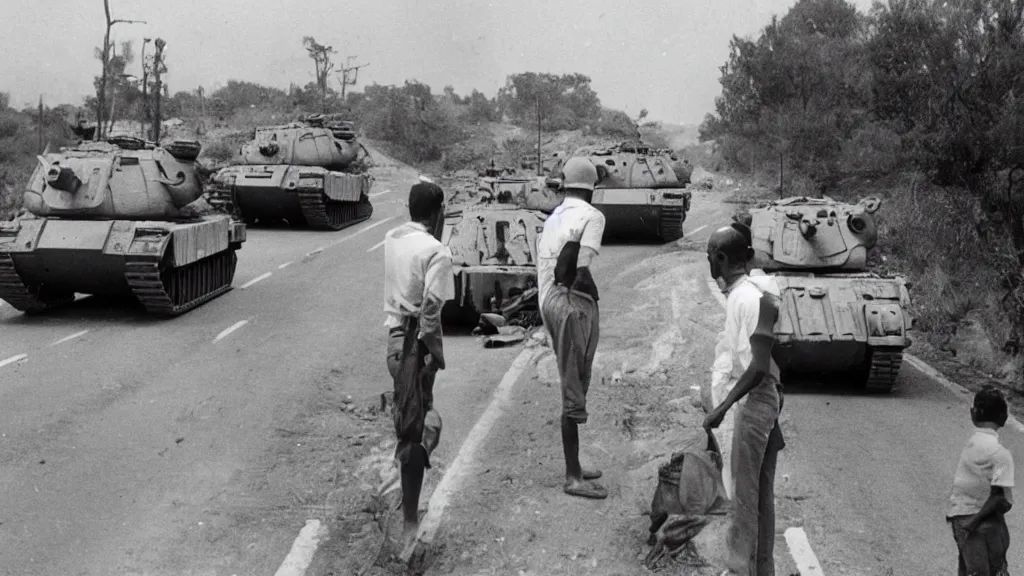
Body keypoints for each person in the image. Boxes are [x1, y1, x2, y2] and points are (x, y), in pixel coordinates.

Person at [703, 222, 786, 576]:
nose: (710, 263)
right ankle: (761, 568)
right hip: (765, 399)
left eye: (710, 257)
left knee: (744, 497)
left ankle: (742, 568)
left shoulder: (746, 298)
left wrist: (720, 410)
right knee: (760, 495)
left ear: (720, 259)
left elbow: (757, 368)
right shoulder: (755, 292)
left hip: (755, 400)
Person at [383, 178, 454, 554]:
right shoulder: (437, 251)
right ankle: (410, 522)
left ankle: (408, 492)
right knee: (420, 426)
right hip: (415, 344)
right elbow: (430, 309)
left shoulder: (393, 237)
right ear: (438, 211)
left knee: (412, 417)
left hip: (394, 339)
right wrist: (431, 355)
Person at [537, 156, 608, 500]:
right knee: (573, 386)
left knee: (572, 381)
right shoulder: (592, 216)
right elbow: (581, 271)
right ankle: (572, 477)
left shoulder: (554, 216)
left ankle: (576, 467)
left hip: (550, 302)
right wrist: (592, 296)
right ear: (592, 188)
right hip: (570, 305)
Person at [947, 386, 1014, 576]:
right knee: (990, 569)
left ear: (973, 414)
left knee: (970, 567)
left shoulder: (971, 444)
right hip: (983, 522)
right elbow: (999, 499)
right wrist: (973, 522)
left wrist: (967, 523)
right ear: (1004, 417)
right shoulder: (1000, 453)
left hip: (964, 517)